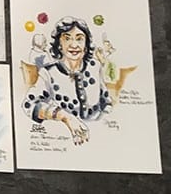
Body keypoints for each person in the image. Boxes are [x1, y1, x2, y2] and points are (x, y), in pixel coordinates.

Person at [22, 17, 111, 146]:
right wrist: (64, 116)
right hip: (64, 141)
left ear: (86, 45)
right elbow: (29, 105)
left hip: (100, 140)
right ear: (59, 44)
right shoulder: (48, 72)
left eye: (79, 39)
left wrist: (103, 128)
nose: (74, 45)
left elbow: (106, 103)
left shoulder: (95, 67)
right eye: (67, 38)